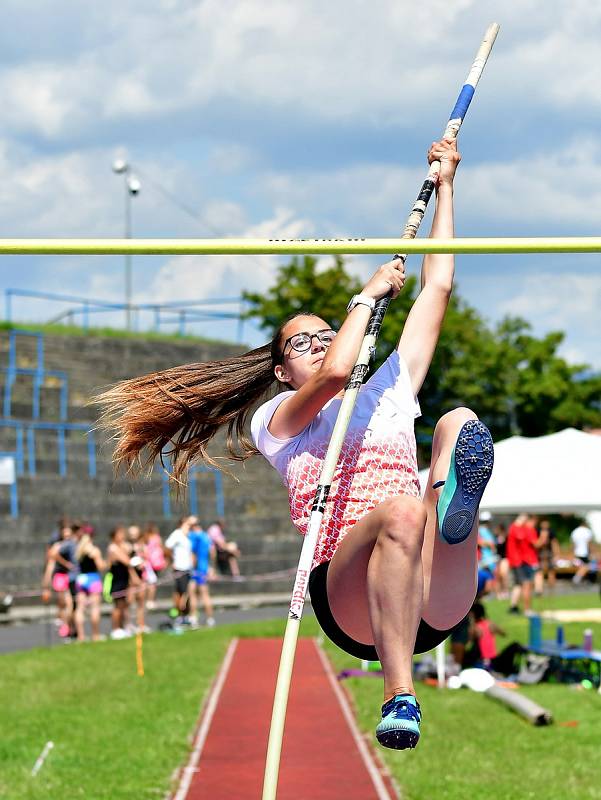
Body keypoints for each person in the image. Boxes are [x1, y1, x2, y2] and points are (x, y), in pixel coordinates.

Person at [96, 138, 494, 751]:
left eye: (324, 335)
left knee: (459, 425)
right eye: (302, 343)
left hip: (431, 594)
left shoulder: (391, 389)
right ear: (281, 371)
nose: (319, 345)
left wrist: (446, 186)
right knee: (401, 510)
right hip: (350, 595)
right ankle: (399, 695)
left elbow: (436, 287)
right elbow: (336, 372)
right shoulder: (278, 419)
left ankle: (454, 519)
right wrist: (364, 299)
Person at [42, 524, 76, 639]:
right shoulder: (58, 546)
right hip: (60, 576)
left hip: (67, 576)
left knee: (67, 604)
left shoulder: (72, 544)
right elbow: (52, 558)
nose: (67, 536)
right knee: (64, 603)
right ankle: (64, 625)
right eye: (65, 533)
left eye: (69, 533)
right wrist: (66, 564)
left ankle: (66, 625)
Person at [107, 525, 140, 639]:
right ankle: (115, 629)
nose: (122, 536)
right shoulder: (113, 548)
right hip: (117, 581)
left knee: (125, 605)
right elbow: (126, 561)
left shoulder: (121, 547)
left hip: (124, 580)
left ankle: (124, 627)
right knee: (118, 606)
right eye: (120, 534)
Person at [74, 526, 105, 641]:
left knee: (80, 608)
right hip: (93, 579)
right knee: (95, 607)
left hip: (81, 578)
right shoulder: (94, 550)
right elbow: (101, 566)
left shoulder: (79, 549)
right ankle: (95, 635)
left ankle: (81, 636)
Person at [164, 516, 194, 623]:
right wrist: (172, 560)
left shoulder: (188, 536)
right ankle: (179, 615)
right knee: (183, 593)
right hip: (180, 568)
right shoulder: (177, 534)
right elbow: (167, 546)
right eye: (187, 524)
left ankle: (184, 615)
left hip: (187, 569)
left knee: (184, 593)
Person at [188, 518, 216, 627]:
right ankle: (210, 619)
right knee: (205, 595)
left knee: (193, 594)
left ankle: (193, 617)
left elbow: (193, 554)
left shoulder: (193, 536)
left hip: (196, 569)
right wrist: (211, 567)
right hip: (204, 567)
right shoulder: (206, 536)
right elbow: (212, 553)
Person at [143, 522, 166, 609]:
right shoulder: (156, 538)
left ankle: (147, 599)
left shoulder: (146, 538)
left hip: (148, 563)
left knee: (148, 582)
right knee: (152, 583)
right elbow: (161, 549)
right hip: (154, 563)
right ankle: (150, 600)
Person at [536, 519, 559, 593]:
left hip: (549, 553)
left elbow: (554, 543)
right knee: (540, 571)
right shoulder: (537, 531)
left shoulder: (551, 532)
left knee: (551, 571)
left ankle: (551, 589)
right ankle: (539, 589)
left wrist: (556, 555)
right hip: (540, 553)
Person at [494, 522, 510, 599]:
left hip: (505, 558)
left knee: (504, 574)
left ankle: (506, 591)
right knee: (498, 576)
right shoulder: (496, 537)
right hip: (498, 558)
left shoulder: (506, 537)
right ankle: (499, 593)